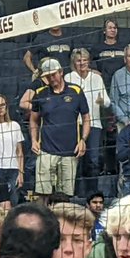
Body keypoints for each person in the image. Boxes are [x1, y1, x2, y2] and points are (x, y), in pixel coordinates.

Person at [31, 58, 90, 205]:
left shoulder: (76, 91)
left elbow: (87, 118)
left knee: (65, 198)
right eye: (48, 76)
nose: (51, 78)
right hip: (46, 151)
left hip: (70, 152)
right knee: (42, 195)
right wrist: (33, 140)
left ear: (61, 72)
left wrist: (83, 140)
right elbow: (33, 120)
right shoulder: (40, 93)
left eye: (54, 74)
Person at [68, 48, 107, 196]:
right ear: (74, 63)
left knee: (93, 160)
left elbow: (107, 102)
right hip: (74, 125)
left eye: (85, 60)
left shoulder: (96, 78)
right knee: (75, 160)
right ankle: (74, 193)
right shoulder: (68, 78)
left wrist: (102, 101)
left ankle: (92, 194)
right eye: (79, 60)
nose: (82, 63)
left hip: (94, 124)